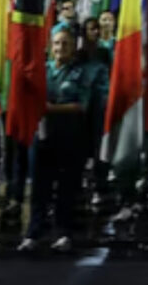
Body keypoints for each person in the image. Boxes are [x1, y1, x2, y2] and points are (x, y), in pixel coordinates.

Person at [25, 19, 99, 252]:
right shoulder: (40, 71)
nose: (60, 48)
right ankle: (34, 233)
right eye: (57, 43)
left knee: (67, 188)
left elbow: (82, 105)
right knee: (40, 188)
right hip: (42, 136)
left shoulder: (81, 73)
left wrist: (50, 108)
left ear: (73, 46)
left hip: (70, 137)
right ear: (50, 45)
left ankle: (63, 233)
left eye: (66, 43)